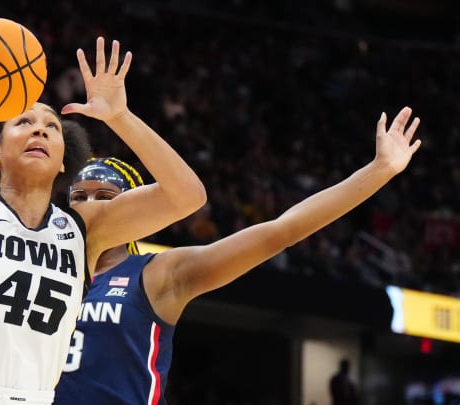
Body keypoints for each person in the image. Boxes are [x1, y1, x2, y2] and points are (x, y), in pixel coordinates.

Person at [0, 32, 206, 405]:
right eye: (23, 122)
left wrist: (121, 117)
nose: (40, 129)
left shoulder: (83, 227)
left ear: (64, 159)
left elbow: (187, 196)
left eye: (52, 126)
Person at [53, 107, 418, 404]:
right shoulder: (42, 268)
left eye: (105, 196)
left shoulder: (157, 275)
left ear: (137, 210)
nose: (90, 206)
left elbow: (282, 231)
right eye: (79, 197)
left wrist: (379, 171)